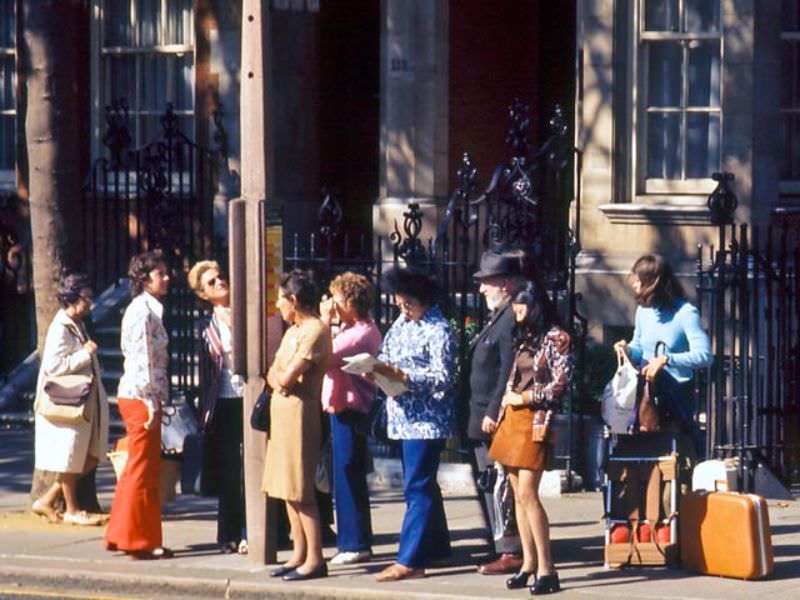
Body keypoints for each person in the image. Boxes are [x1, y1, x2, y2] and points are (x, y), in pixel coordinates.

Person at [370, 266, 456, 582]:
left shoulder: (439, 329)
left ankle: (411, 559)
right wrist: (378, 371)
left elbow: (443, 377)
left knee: (416, 486)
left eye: (408, 303)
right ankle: (435, 546)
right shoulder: (402, 323)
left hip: (426, 419)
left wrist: (408, 377)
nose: (403, 309)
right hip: (403, 415)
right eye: (401, 303)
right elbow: (388, 353)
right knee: (422, 483)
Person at [488, 277, 573, 595]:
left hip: (535, 419)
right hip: (512, 419)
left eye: (521, 308)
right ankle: (528, 563)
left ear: (535, 307)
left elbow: (561, 385)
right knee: (516, 497)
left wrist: (525, 399)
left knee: (529, 495)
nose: (517, 313)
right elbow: (512, 378)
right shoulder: (523, 336)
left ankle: (548, 569)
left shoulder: (558, 338)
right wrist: (502, 412)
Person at [263, 270, 332, 581]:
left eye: (281, 298)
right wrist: (278, 379)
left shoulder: (315, 331)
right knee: (286, 489)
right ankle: (298, 553)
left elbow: (288, 376)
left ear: (294, 300)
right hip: (283, 414)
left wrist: (280, 379)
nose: (278, 304)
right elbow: (272, 373)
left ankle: (315, 558)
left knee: (301, 488)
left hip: (301, 416)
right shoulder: (293, 331)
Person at [105, 250, 173, 560]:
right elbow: (142, 358)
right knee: (143, 469)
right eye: (160, 273)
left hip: (139, 395)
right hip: (141, 396)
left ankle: (122, 533)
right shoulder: (143, 311)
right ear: (144, 279)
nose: (167, 277)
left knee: (139, 467)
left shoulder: (146, 309)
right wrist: (151, 401)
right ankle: (139, 539)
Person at [614, 254, 712, 456]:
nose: (634, 284)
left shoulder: (685, 313)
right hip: (646, 391)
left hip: (676, 393)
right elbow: (639, 346)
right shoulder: (643, 311)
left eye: (639, 280)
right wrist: (627, 349)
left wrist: (668, 360)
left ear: (653, 283)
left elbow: (704, 356)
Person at [31, 272, 109, 526]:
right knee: (71, 458)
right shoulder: (60, 327)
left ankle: (46, 501)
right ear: (72, 299)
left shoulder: (76, 323)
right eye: (86, 297)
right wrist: (85, 355)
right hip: (66, 405)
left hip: (78, 405)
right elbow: (54, 365)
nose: (90, 303)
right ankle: (73, 509)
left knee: (84, 458)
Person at [468, 250, 526, 575]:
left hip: (491, 418)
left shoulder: (508, 321)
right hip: (479, 416)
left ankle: (510, 549)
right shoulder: (498, 316)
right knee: (490, 483)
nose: (481, 290)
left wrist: (493, 410)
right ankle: (499, 543)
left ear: (503, 283)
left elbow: (507, 371)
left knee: (499, 484)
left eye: (485, 283)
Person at [319, 272, 382, 565]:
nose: (333, 304)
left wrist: (325, 322)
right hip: (339, 408)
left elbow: (322, 355)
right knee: (342, 474)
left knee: (347, 473)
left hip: (352, 409)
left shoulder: (360, 333)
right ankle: (352, 539)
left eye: (338, 299)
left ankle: (355, 542)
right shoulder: (349, 328)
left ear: (351, 302)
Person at [187, 260, 247, 555]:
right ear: (203, 294)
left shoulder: (246, 311)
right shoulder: (204, 326)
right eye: (212, 282)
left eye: (221, 277)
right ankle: (228, 534)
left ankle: (254, 530)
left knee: (253, 466)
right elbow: (205, 372)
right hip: (222, 401)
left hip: (249, 396)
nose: (220, 282)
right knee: (229, 470)